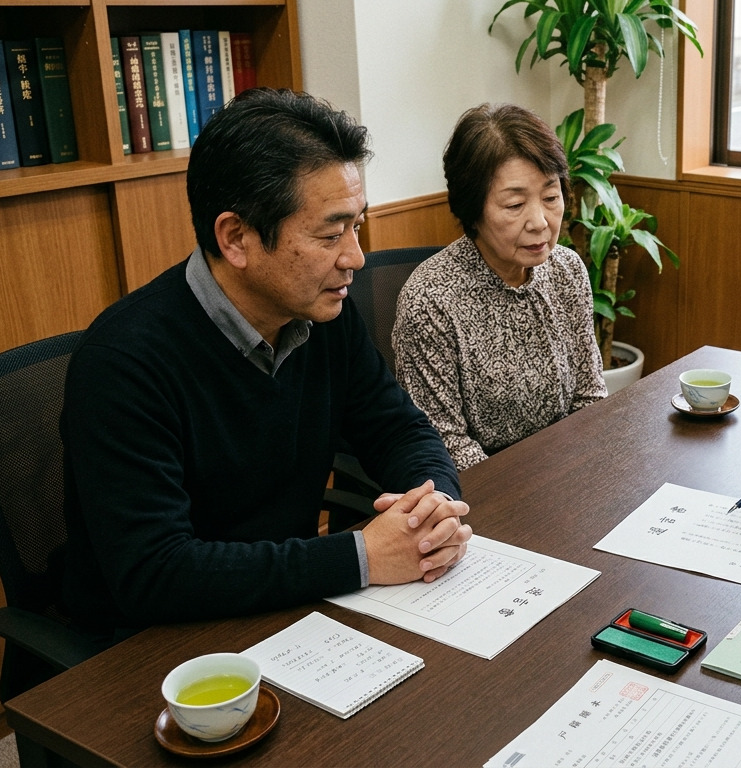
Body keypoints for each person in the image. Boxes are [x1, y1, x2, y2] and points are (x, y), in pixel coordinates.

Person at [60, 88, 472, 642]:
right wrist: (361, 557)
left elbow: (396, 426)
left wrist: (434, 506)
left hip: (285, 611)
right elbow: (155, 572)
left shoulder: (324, 310)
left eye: (357, 226)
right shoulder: (124, 362)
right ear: (236, 238)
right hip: (145, 648)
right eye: (330, 234)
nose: (354, 257)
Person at [391, 103, 606, 470]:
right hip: (485, 492)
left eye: (551, 198)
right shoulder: (431, 300)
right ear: (472, 209)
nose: (540, 222)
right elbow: (446, 443)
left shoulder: (567, 269)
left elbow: (590, 396)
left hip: (565, 473)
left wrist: (576, 472)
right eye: (515, 204)